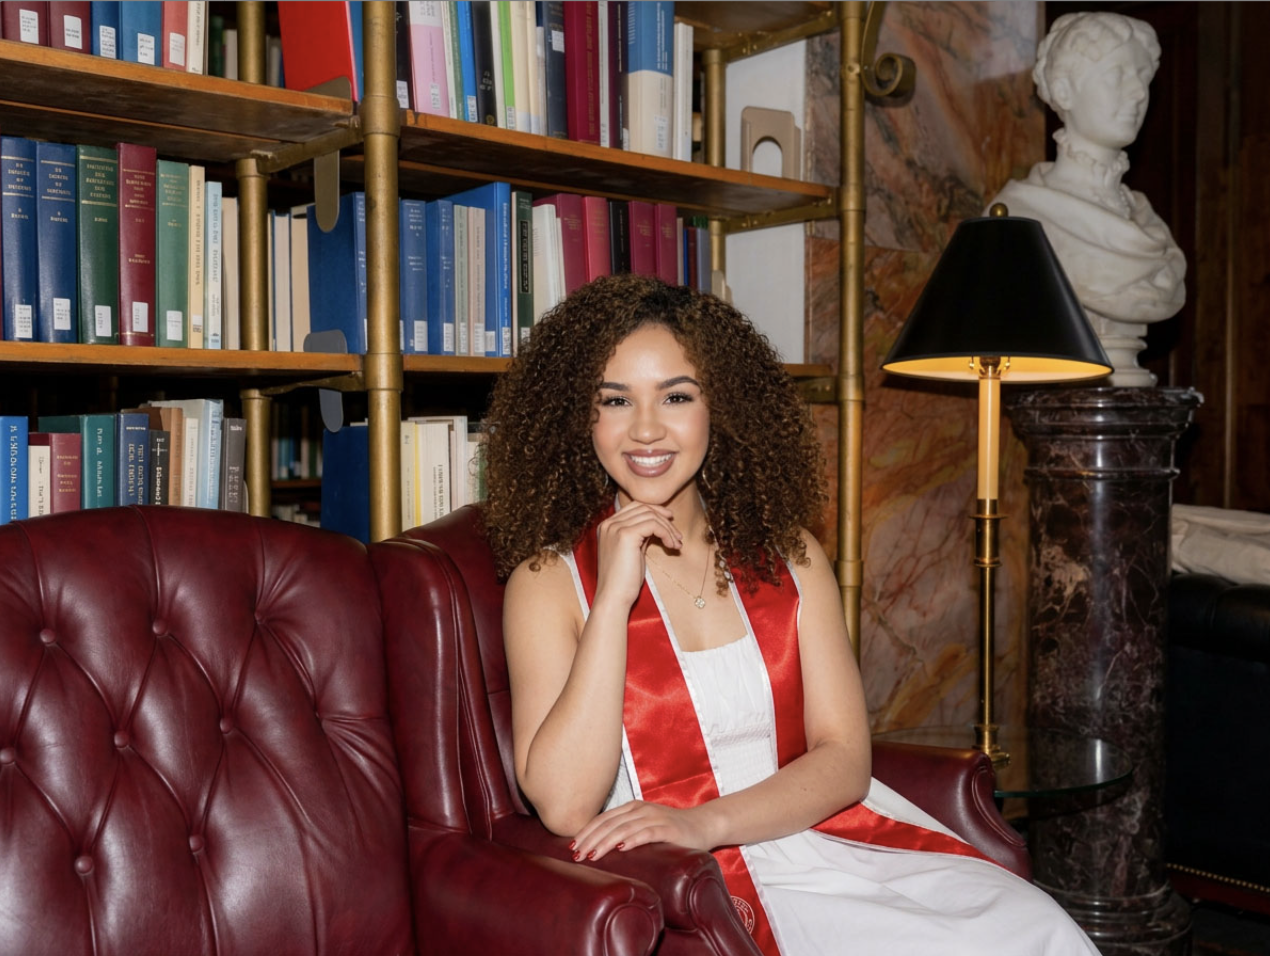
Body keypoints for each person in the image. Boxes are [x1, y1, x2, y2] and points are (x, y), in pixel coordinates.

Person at [483, 273, 1099, 955]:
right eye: (615, 400)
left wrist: (706, 822)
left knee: (1033, 927)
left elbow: (844, 760)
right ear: (580, 416)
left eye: (677, 396)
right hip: (698, 882)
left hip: (819, 833)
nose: (647, 428)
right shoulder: (548, 582)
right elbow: (565, 805)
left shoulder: (788, 555)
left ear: (722, 406)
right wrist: (613, 602)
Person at [989, 11, 1185, 386]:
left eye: (1144, 77)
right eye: (1117, 75)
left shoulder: (1146, 219)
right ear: (1064, 90)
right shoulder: (1018, 217)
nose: (1139, 92)